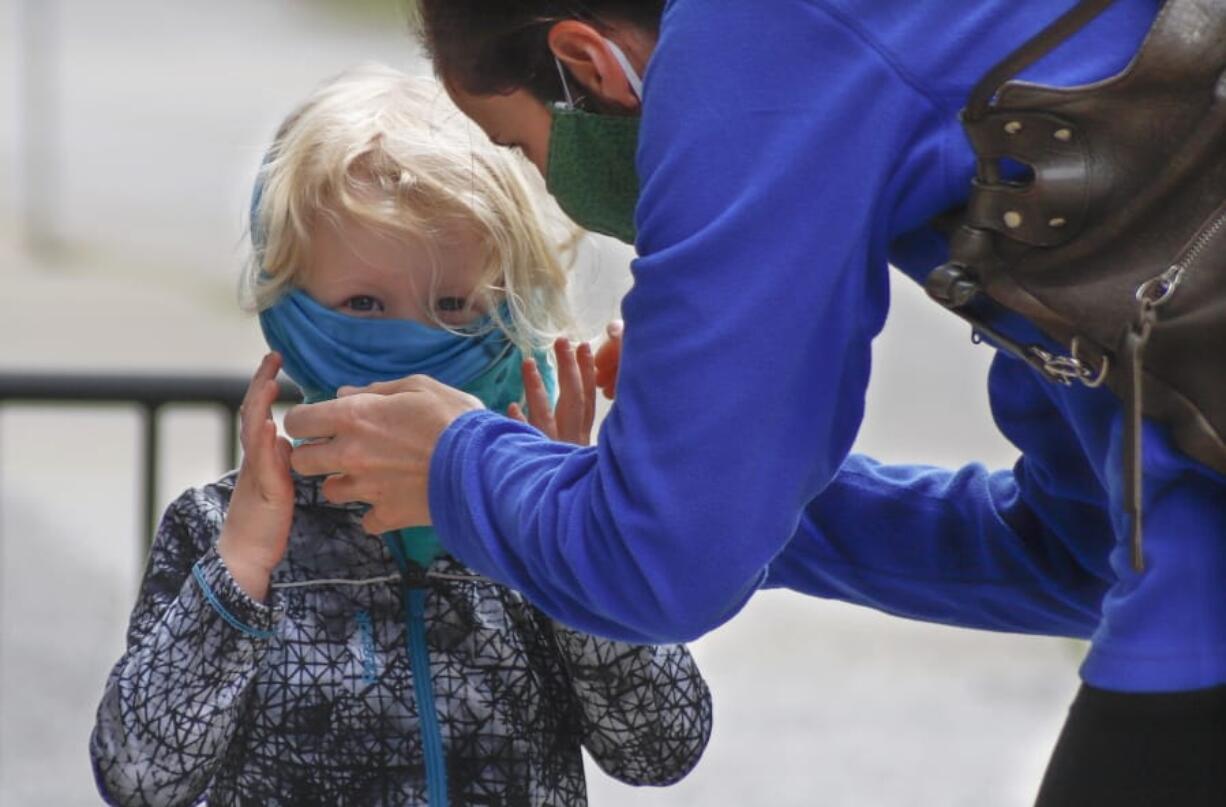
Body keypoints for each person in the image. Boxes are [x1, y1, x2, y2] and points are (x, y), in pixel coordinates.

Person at [280, 1, 1226, 804]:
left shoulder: (748, 40)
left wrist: (457, 464)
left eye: (518, 147)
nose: (547, 185)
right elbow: (1079, 551)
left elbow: (660, 568)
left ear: (588, 63)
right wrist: (716, 484)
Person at [89, 65, 711, 807]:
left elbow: (661, 744)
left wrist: (565, 537)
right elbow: (138, 776)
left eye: (453, 303)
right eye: (363, 303)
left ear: (508, 309)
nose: (414, 335)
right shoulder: (220, 528)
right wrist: (244, 562)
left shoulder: (531, 517)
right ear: (292, 311)